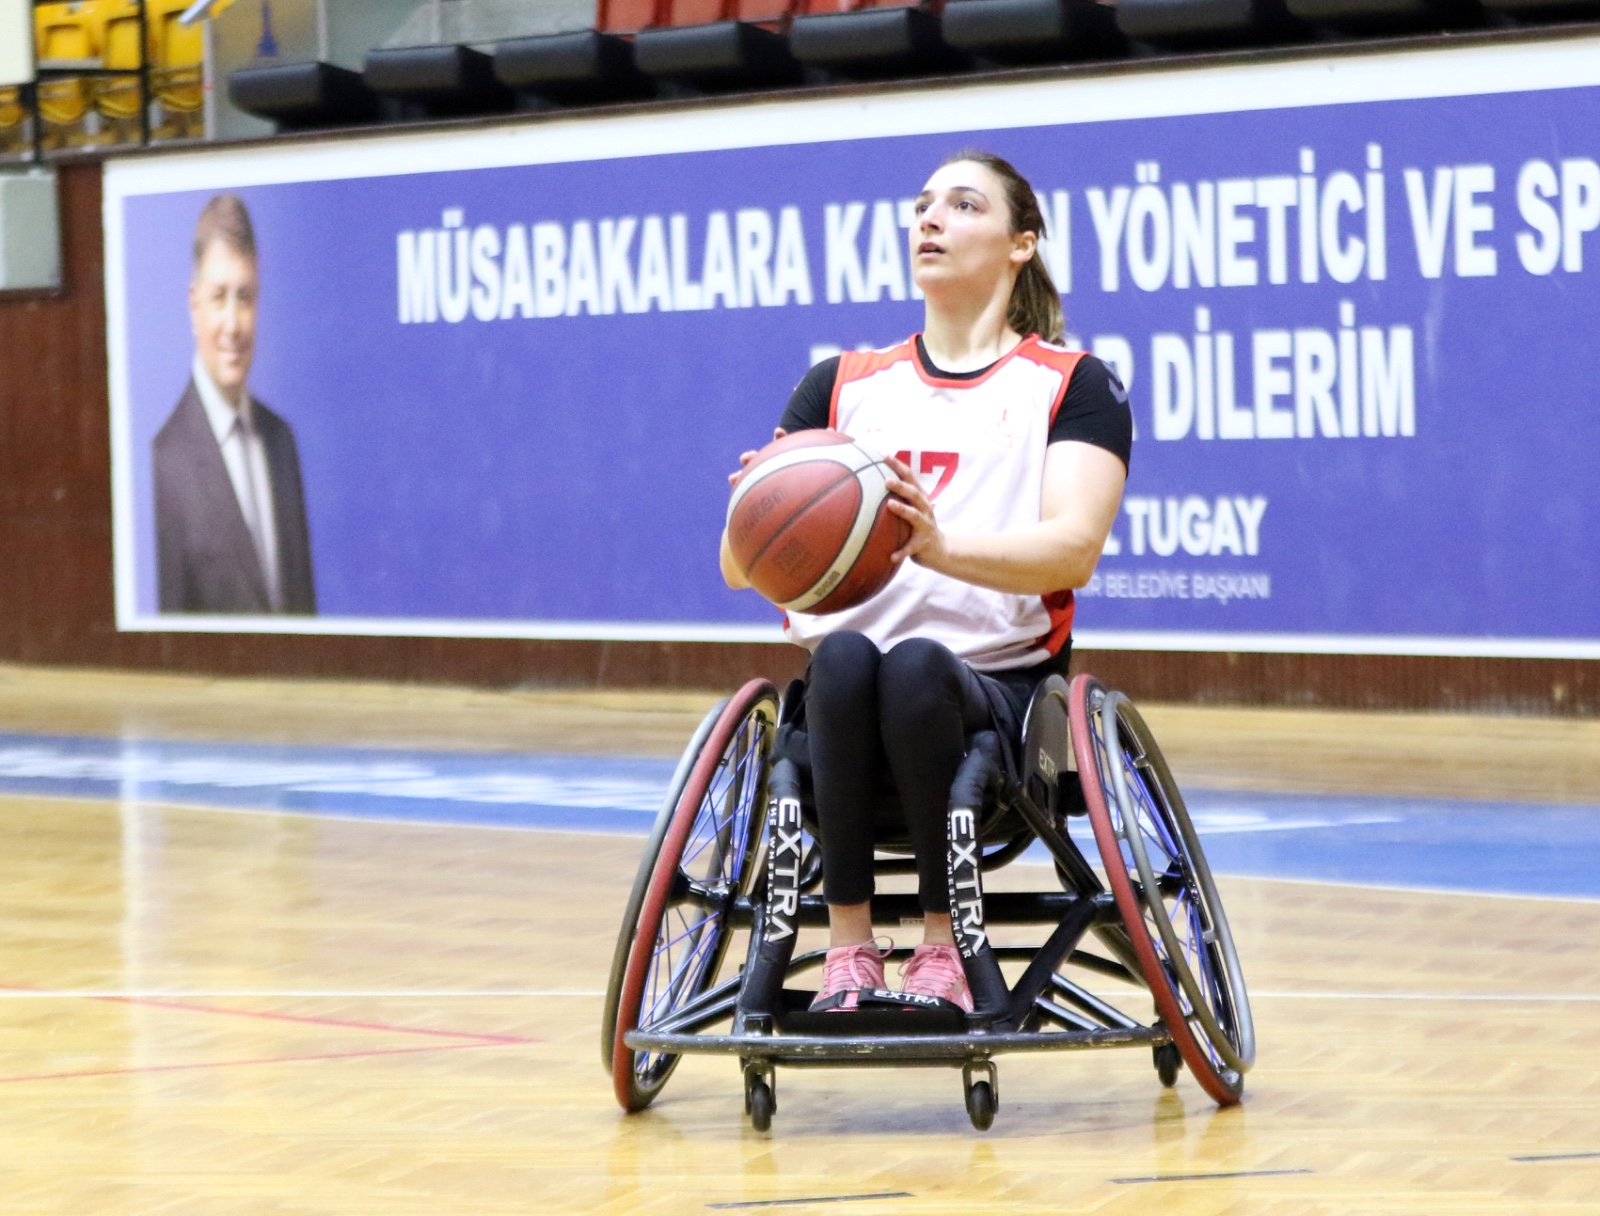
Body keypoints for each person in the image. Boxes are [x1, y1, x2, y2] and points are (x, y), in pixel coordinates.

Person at [720, 152, 1131, 1012]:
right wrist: (756, 516)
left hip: (996, 698)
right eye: (921, 206)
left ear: (1022, 243)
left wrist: (936, 549)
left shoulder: (1071, 384)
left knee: (912, 662)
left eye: (962, 204)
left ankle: (943, 946)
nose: (930, 220)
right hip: (841, 706)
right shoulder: (840, 384)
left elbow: (1073, 551)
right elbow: (736, 573)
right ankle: (848, 946)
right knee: (839, 658)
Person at [154, 194, 315, 615]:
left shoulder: (281, 441)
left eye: (245, 298)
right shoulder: (164, 462)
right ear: (193, 306)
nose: (233, 325)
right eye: (218, 296)